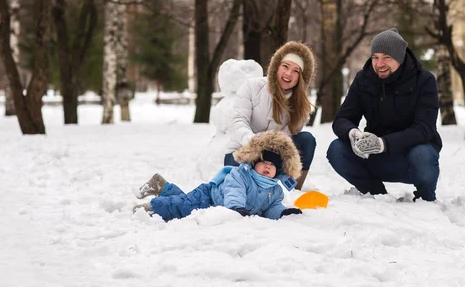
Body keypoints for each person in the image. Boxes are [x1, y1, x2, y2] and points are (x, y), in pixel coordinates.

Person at [326, 28, 442, 201]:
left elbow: (424, 129)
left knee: (423, 155)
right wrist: (353, 134)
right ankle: (375, 194)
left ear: (400, 58)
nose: (379, 64)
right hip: (374, 156)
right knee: (337, 149)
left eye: (387, 57)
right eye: (375, 57)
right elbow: (342, 119)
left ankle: (425, 199)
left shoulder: (424, 81)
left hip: (411, 157)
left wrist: (383, 143)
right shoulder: (363, 79)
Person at [134, 131, 303, 221]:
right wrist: (236, 208)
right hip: (209, 197)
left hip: (222, 206)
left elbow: (271, 207)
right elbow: (234, 192)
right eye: (264, 162)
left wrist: (282, 212)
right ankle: (152, 208)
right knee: (183, 207)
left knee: (184, 201)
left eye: (273, 165)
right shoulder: (241, 175)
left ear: (278, 171)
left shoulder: (274, 190)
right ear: (253, 162)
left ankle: (162, 186)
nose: (268, 166)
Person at [224, 41, 316, 191]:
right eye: (285, 66)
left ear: (301, 77)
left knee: (307, 139)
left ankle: (292, 188)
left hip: (273, 156)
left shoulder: (300, 105)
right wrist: (254, 142)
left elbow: (288, 136)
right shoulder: (252, 87)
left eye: (296, 71)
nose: (288, 74)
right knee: (240, 180)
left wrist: (274, 150)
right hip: (243, 150)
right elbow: (238, 121)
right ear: (276, 67)